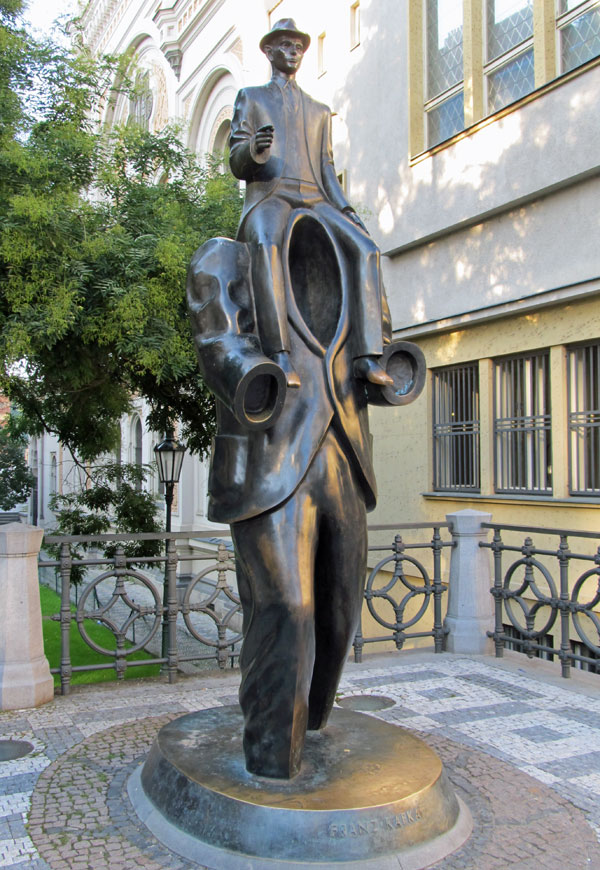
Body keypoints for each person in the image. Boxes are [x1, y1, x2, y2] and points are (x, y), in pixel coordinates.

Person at [229, 18, 393, 391]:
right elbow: (236, 159)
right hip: (271, 194)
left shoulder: (319, 110)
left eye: (299, 46)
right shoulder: (251, 98)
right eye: (285, 45)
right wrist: (254, 151)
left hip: (317, 198)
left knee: (366, 249)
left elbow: (328, 170)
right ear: (269, 52)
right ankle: (280, 354)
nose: (294, 52)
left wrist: (348, 213)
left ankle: (367, 357)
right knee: (267, 244)